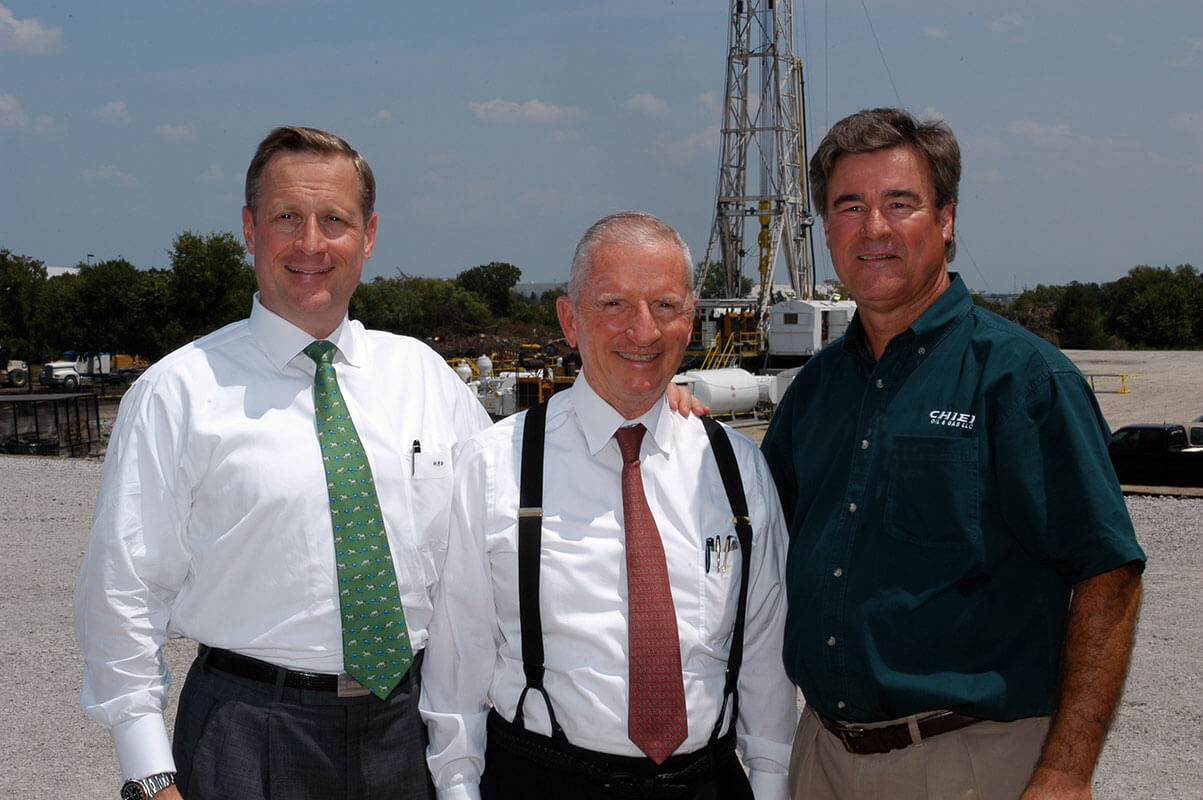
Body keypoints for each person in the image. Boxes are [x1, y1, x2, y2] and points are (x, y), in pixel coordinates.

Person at [75, 126, 494, 800]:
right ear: (248, 228)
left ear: (369, 234)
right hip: (247, 733)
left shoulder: (426, 377)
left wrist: (645, 409)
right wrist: (150, 773)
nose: (310, 243)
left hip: (408, 731)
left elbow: (504, 526)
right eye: (285, 218)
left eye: (334, 220)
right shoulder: (177, 393)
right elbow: (123, 590)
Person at [760, 107, 1146, 800]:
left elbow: (1106, 575)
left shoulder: (1021, 380)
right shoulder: (814, 391)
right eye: (849, 206)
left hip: (966, 764)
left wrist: (1063, 772)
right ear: (825, 230)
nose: (872, 229)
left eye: (899, 203)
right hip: (821, 758)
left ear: (944, 220)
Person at [420, 210, 798, 799]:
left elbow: (765, 661)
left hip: (706, 783)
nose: (643, 331)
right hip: (545, 780)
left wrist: (771, 787)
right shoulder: (496, 466)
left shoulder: (736, 470)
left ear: (691, 320)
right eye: (615, 304)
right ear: (570, 321)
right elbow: (458, 665)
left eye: (666, 305)